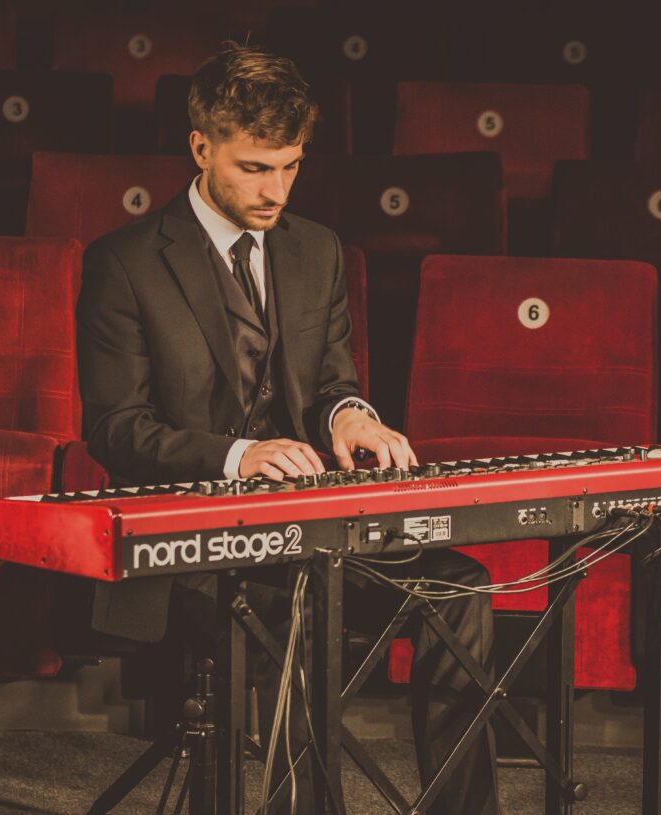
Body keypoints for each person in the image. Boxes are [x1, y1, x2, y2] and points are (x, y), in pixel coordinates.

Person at [76, 43, 500, 814]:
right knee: (307, 602)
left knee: (460, 586)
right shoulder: (125, 262)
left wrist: (351, 416)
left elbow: (333, 381)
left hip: (313, 531)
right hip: (197, 546)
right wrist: (241, 455)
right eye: (254, 168)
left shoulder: (317, 250)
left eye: (291, 166)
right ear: (201, 147)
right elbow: (115, 428)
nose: (276, 190)